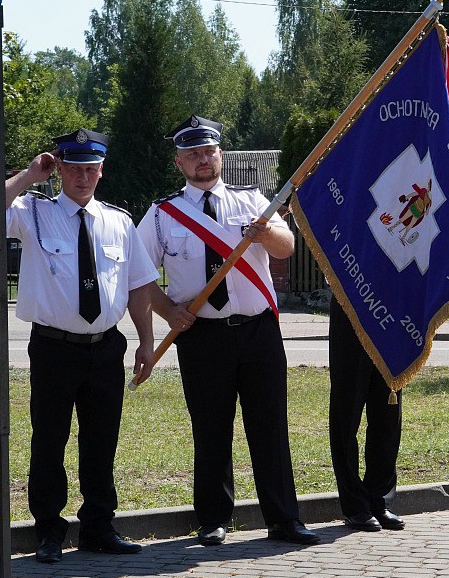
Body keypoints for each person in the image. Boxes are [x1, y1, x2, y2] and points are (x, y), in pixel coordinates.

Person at [0, 129, 157, 563]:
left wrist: (146, 342)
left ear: (101, 171)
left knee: (101, 440)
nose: (82, 177)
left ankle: (98, 526)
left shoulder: (119, 221)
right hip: (54, 347)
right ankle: (49, 532)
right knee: (49, 439)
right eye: (73, 168)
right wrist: (28, 176)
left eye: (90, 169)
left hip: (106, 346)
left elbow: (138, 288)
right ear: (60, 170)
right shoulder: (33, 211)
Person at [136, 116, 319, 547]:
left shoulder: (253, 200)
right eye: (192, 154)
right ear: (179, 162)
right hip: (203, 335)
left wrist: (266, 233)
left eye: (208, 152)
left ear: (221, 155)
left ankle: (284, 518)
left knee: (270, 426)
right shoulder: (163, 215)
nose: (202, 160)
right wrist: (168, 312)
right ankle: (214, 518)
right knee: (210, 427)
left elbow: (287, 247)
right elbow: (140, 276)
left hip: (258, 331)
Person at [328, 296, 405, 532]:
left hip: (392, 311)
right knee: (347, 416)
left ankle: (380, 500)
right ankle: (355, 507)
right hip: (351, 301)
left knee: (388, 416)